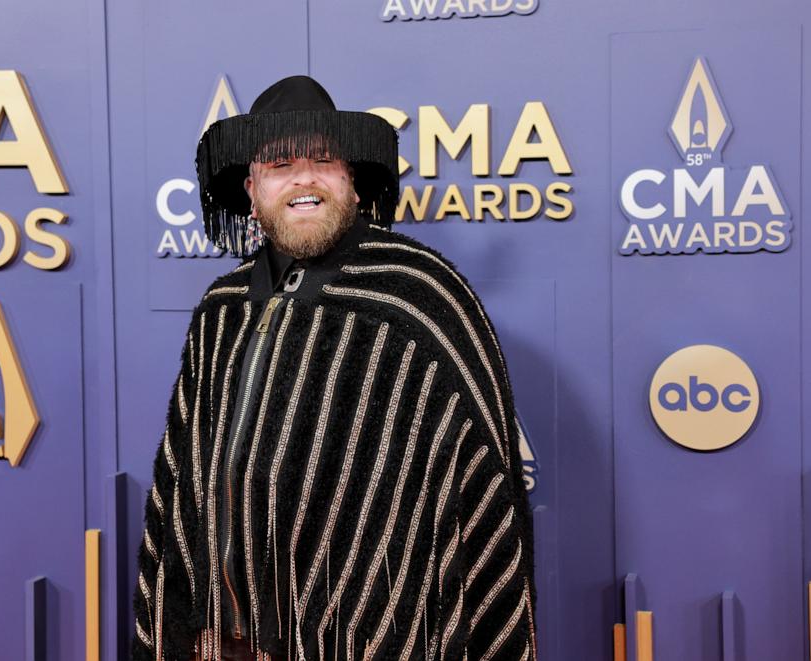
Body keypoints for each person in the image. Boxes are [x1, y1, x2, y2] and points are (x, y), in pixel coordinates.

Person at [133, 75, 537, 661]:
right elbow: (181, 485)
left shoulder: (417, 295)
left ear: (350, 179)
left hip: (367, 640)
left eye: (322, 159)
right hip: (222, 640)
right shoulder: (221, 310)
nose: (303, 178)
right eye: (279, 165)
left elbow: (481, 492)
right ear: (252, 188)